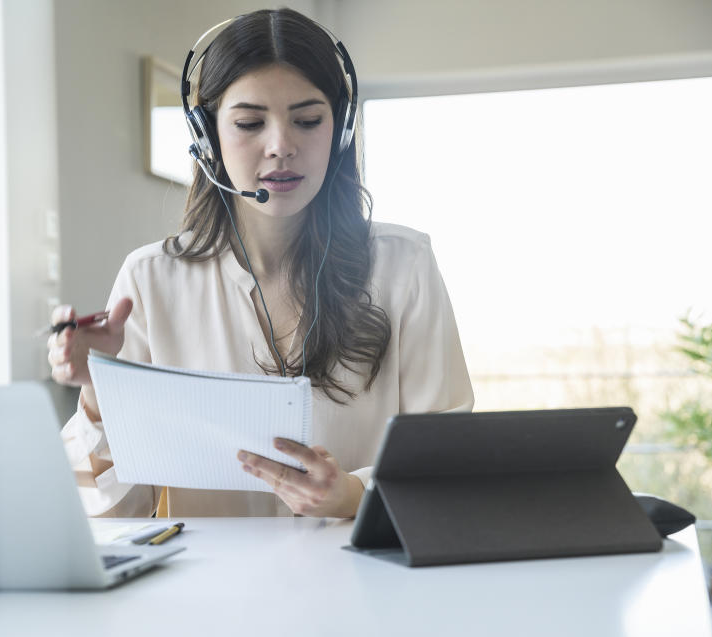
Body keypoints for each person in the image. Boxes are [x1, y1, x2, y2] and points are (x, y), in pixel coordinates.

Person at [48, 8, 474, 519]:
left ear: (340, 130)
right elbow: (103, 514)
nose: (281, 147)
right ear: (207, 138)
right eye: (250, 123)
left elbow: (448, 468)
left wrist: (352, 496)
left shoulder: (405, 266)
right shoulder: (149, 280)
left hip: (364, 588)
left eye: (308, 120)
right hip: (207, 596)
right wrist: (100, 393)